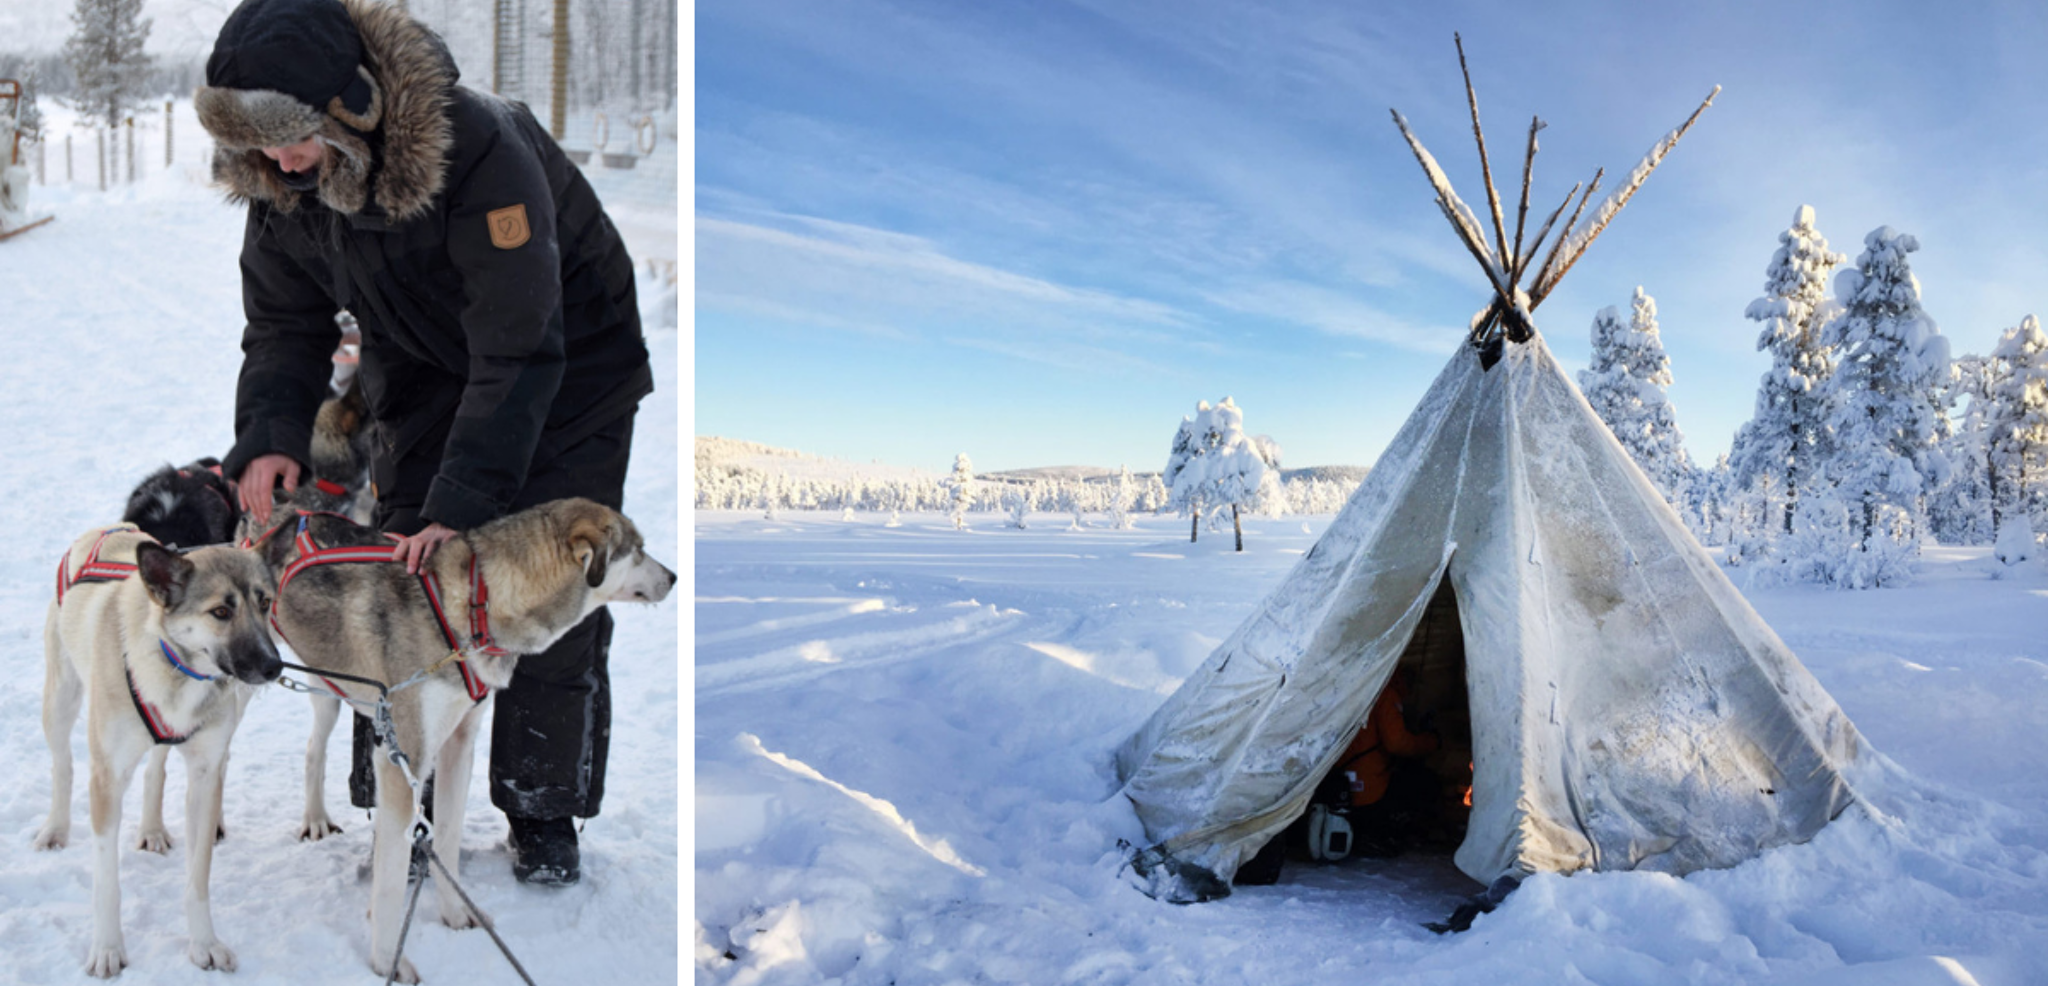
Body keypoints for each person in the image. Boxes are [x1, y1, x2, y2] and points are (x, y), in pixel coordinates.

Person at [195, 0, 652, 886]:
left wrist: (463, 507)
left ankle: (542, 805)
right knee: (398, 584)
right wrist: (269, 435)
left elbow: (520, 347)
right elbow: (284, 325)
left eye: (293, 137)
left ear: (352, 104)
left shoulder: (475, 152)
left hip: (572, 367)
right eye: (259, 148)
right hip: (424, 360)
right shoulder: (281, 184)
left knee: (549, 589)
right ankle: (398, 806)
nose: (281, 162)